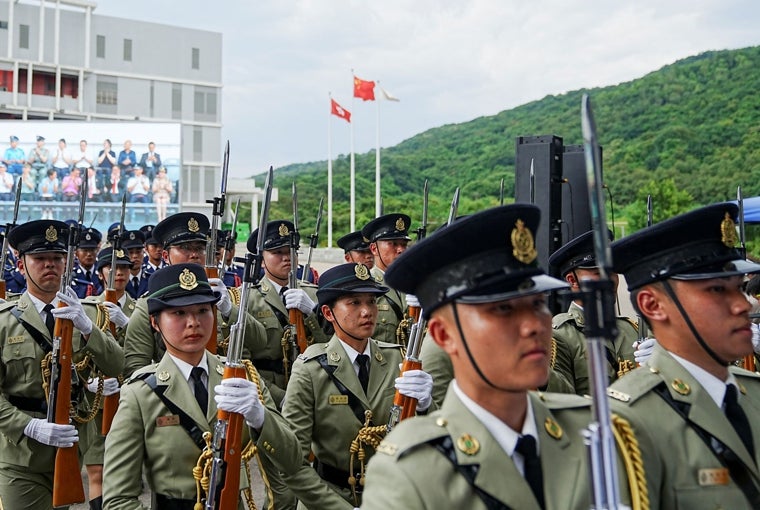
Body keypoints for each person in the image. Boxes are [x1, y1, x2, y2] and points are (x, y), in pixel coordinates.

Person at [361, 204, 620, 510]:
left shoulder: (590, 429)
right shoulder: (411, 472)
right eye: (503, 309)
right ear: (444, 335)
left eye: (538, 303)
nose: (533, 325)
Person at [102, 263, 302, 510]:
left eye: (202, 310)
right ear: (155, 323)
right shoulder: (139, 393)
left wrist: (260, 418)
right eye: (179, 313)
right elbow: (118, 499)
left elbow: (292, 460)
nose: (194, 322)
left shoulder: (241, 377)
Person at [606, 202, 760, 509]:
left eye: (740, 288)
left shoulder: (753, 392)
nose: (744, 305)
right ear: (653, 305)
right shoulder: (626, 420)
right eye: (718, 290)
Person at [281, 262, 434, 508]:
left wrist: (426, 406)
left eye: (371, 302)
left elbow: (429, 439)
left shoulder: (398, 359)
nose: (367, 312)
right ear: (329, 313)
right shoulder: (309, 369)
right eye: (354, 303)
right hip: (330, 496)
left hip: (389, 495)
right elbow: (293, 462)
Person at [0, 219, 123, 510]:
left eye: (56, 258)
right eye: (40, 259)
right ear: (21, 265)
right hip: (20, 452)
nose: (49, 265)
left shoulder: (90, 314)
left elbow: (116, 365)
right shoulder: (4, 323)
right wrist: (29, 426)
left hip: (70, 445)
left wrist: (88, 329)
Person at [123, 212, 267, 377]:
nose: (194, 254)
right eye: (184, 248)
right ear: (165, 256)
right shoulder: (149, 304)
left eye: (199, 248)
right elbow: (135, 368)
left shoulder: (228, 296)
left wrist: (229, 310)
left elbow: (260, 342)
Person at [244, 220, 329, 407]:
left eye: (291, 251)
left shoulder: (315, 294)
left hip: (315, 391)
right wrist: (279, 397)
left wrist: (313, 312)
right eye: (277, 253)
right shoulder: (247, 299)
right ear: (262, 259)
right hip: (270, 395)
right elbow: (244, 362)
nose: (287, 258)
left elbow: (333, 345)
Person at [547, 230, 638, 395]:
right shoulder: (560, 335)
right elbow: (560, 399)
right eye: (599, 274)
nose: (610, 279)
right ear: (572, 280)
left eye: (612, 272)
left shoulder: (633, 329)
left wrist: (658, 362)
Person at [79, 247, 134, 510]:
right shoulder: (88, 308)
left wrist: (128, 322)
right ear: (101, 273)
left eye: (124, 268)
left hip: (131, 400)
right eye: (112, 268)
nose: (118, 273)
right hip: (97, 402)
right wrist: (89, 382)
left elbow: (151, 353)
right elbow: (78, 353)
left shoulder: (141, 308)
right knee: (97, 472)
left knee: (125, 474)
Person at [360, 213, 411, 344]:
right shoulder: (365, 284)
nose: (400, 250)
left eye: (404, 244)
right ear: (374, 249)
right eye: (393, 244)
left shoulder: (412, 284)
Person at [71, 227, 104, 298]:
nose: (89, 254)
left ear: (97, 251)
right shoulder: (72, 275)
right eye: (85, 250)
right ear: (76, 253)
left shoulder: (103, 274)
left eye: (92, 250)